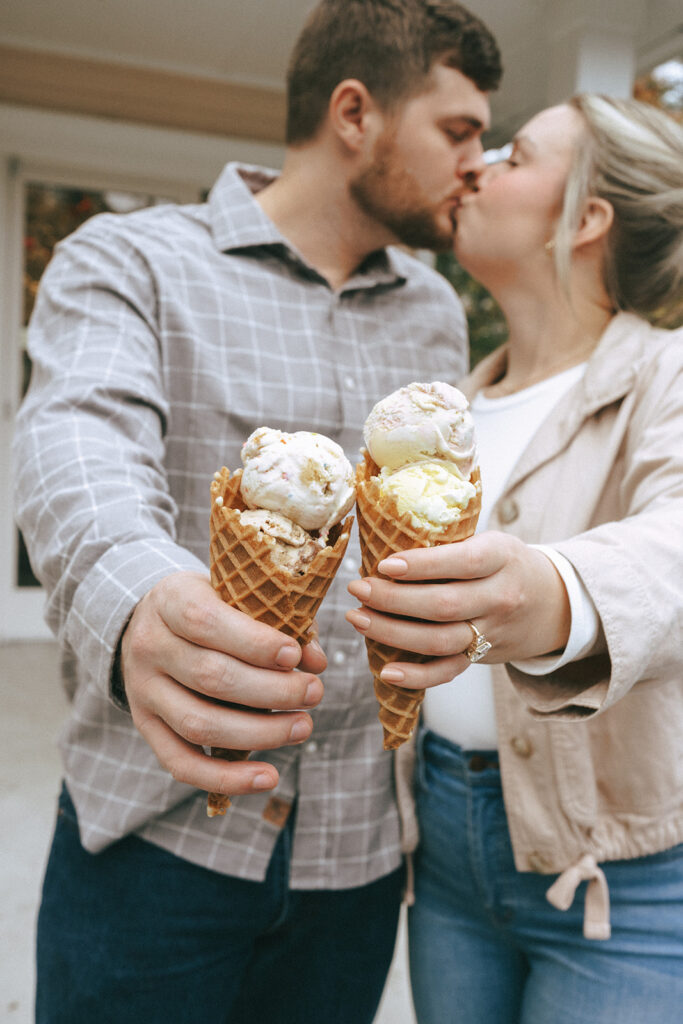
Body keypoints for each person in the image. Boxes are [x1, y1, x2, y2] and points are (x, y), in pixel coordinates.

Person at [12, 2, 502, 1022]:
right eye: (456, 131)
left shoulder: (435, 309)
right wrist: (141, 597)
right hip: (154, 842)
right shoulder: (130, 257)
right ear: (354, 112)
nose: (477, 163)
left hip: (357, 860)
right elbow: (76, 445)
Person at [346, 94, 683, 1023]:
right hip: (444, 853)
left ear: (584, 218)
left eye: (515, 154)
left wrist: (550, 592)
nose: (478, 166)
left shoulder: (666, 371)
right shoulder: (452, 405)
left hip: (629, 875)